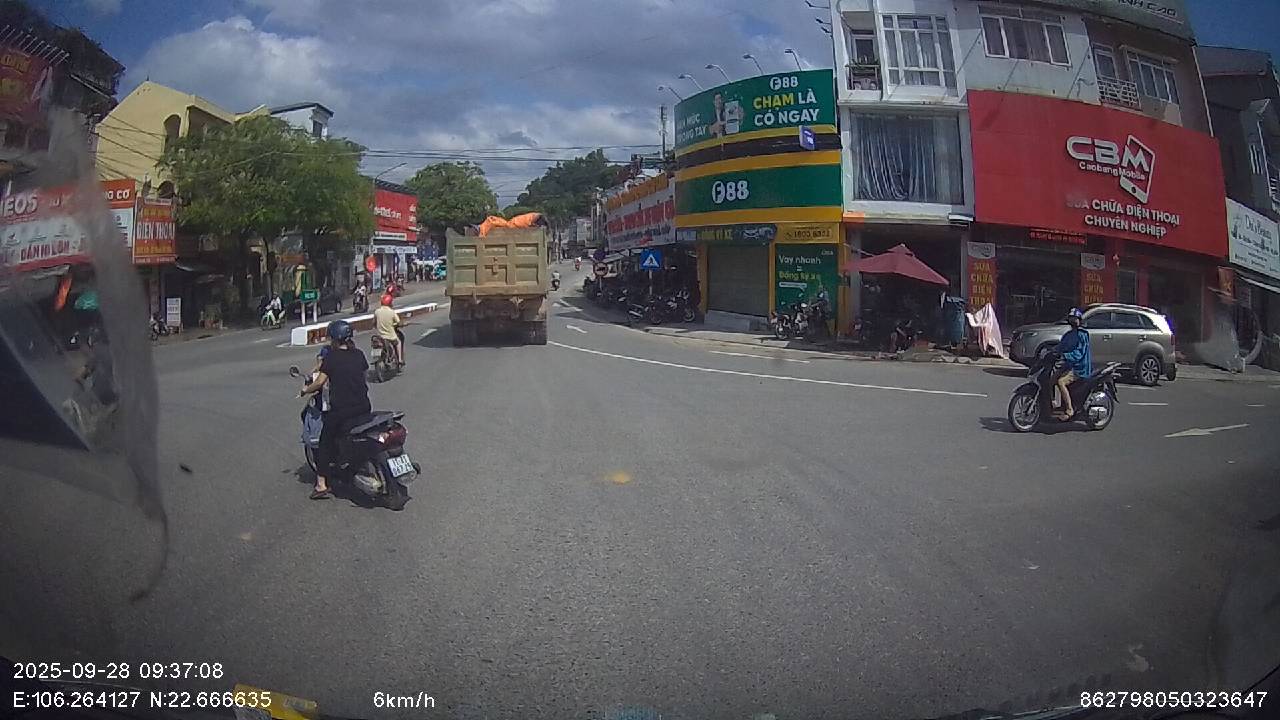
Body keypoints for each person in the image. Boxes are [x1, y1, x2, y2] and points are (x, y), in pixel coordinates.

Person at [299, 320, 370, 499]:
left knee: (324, 443)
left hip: (342, 411)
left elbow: (319, 383)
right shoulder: (359, 354)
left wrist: (305, 390)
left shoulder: (331, 358)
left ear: (334, 339)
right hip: (364, 406)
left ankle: (321, 485)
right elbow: (363, 376)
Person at [1053, 307, 1093, 420]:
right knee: (1051, 379)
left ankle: (1069, 409)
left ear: (1080, 320)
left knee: (1061, 382)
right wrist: (1050, 351)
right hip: (1069, 365)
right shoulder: (1068, 335)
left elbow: (1079, 353)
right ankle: (1054, 404)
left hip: (1079, 367)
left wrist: (1065, 355)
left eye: (1075, 319)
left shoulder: (1083, 335)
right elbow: (1060, 347)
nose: (1073, 321)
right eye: (1071, 318)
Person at [374, 294, 404, 368]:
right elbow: (399, 323)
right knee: (398, 342)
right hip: (390, 336)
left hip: (380, 336)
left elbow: (374, 323)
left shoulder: (377, 311)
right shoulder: (392, 312)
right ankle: (400, 360)